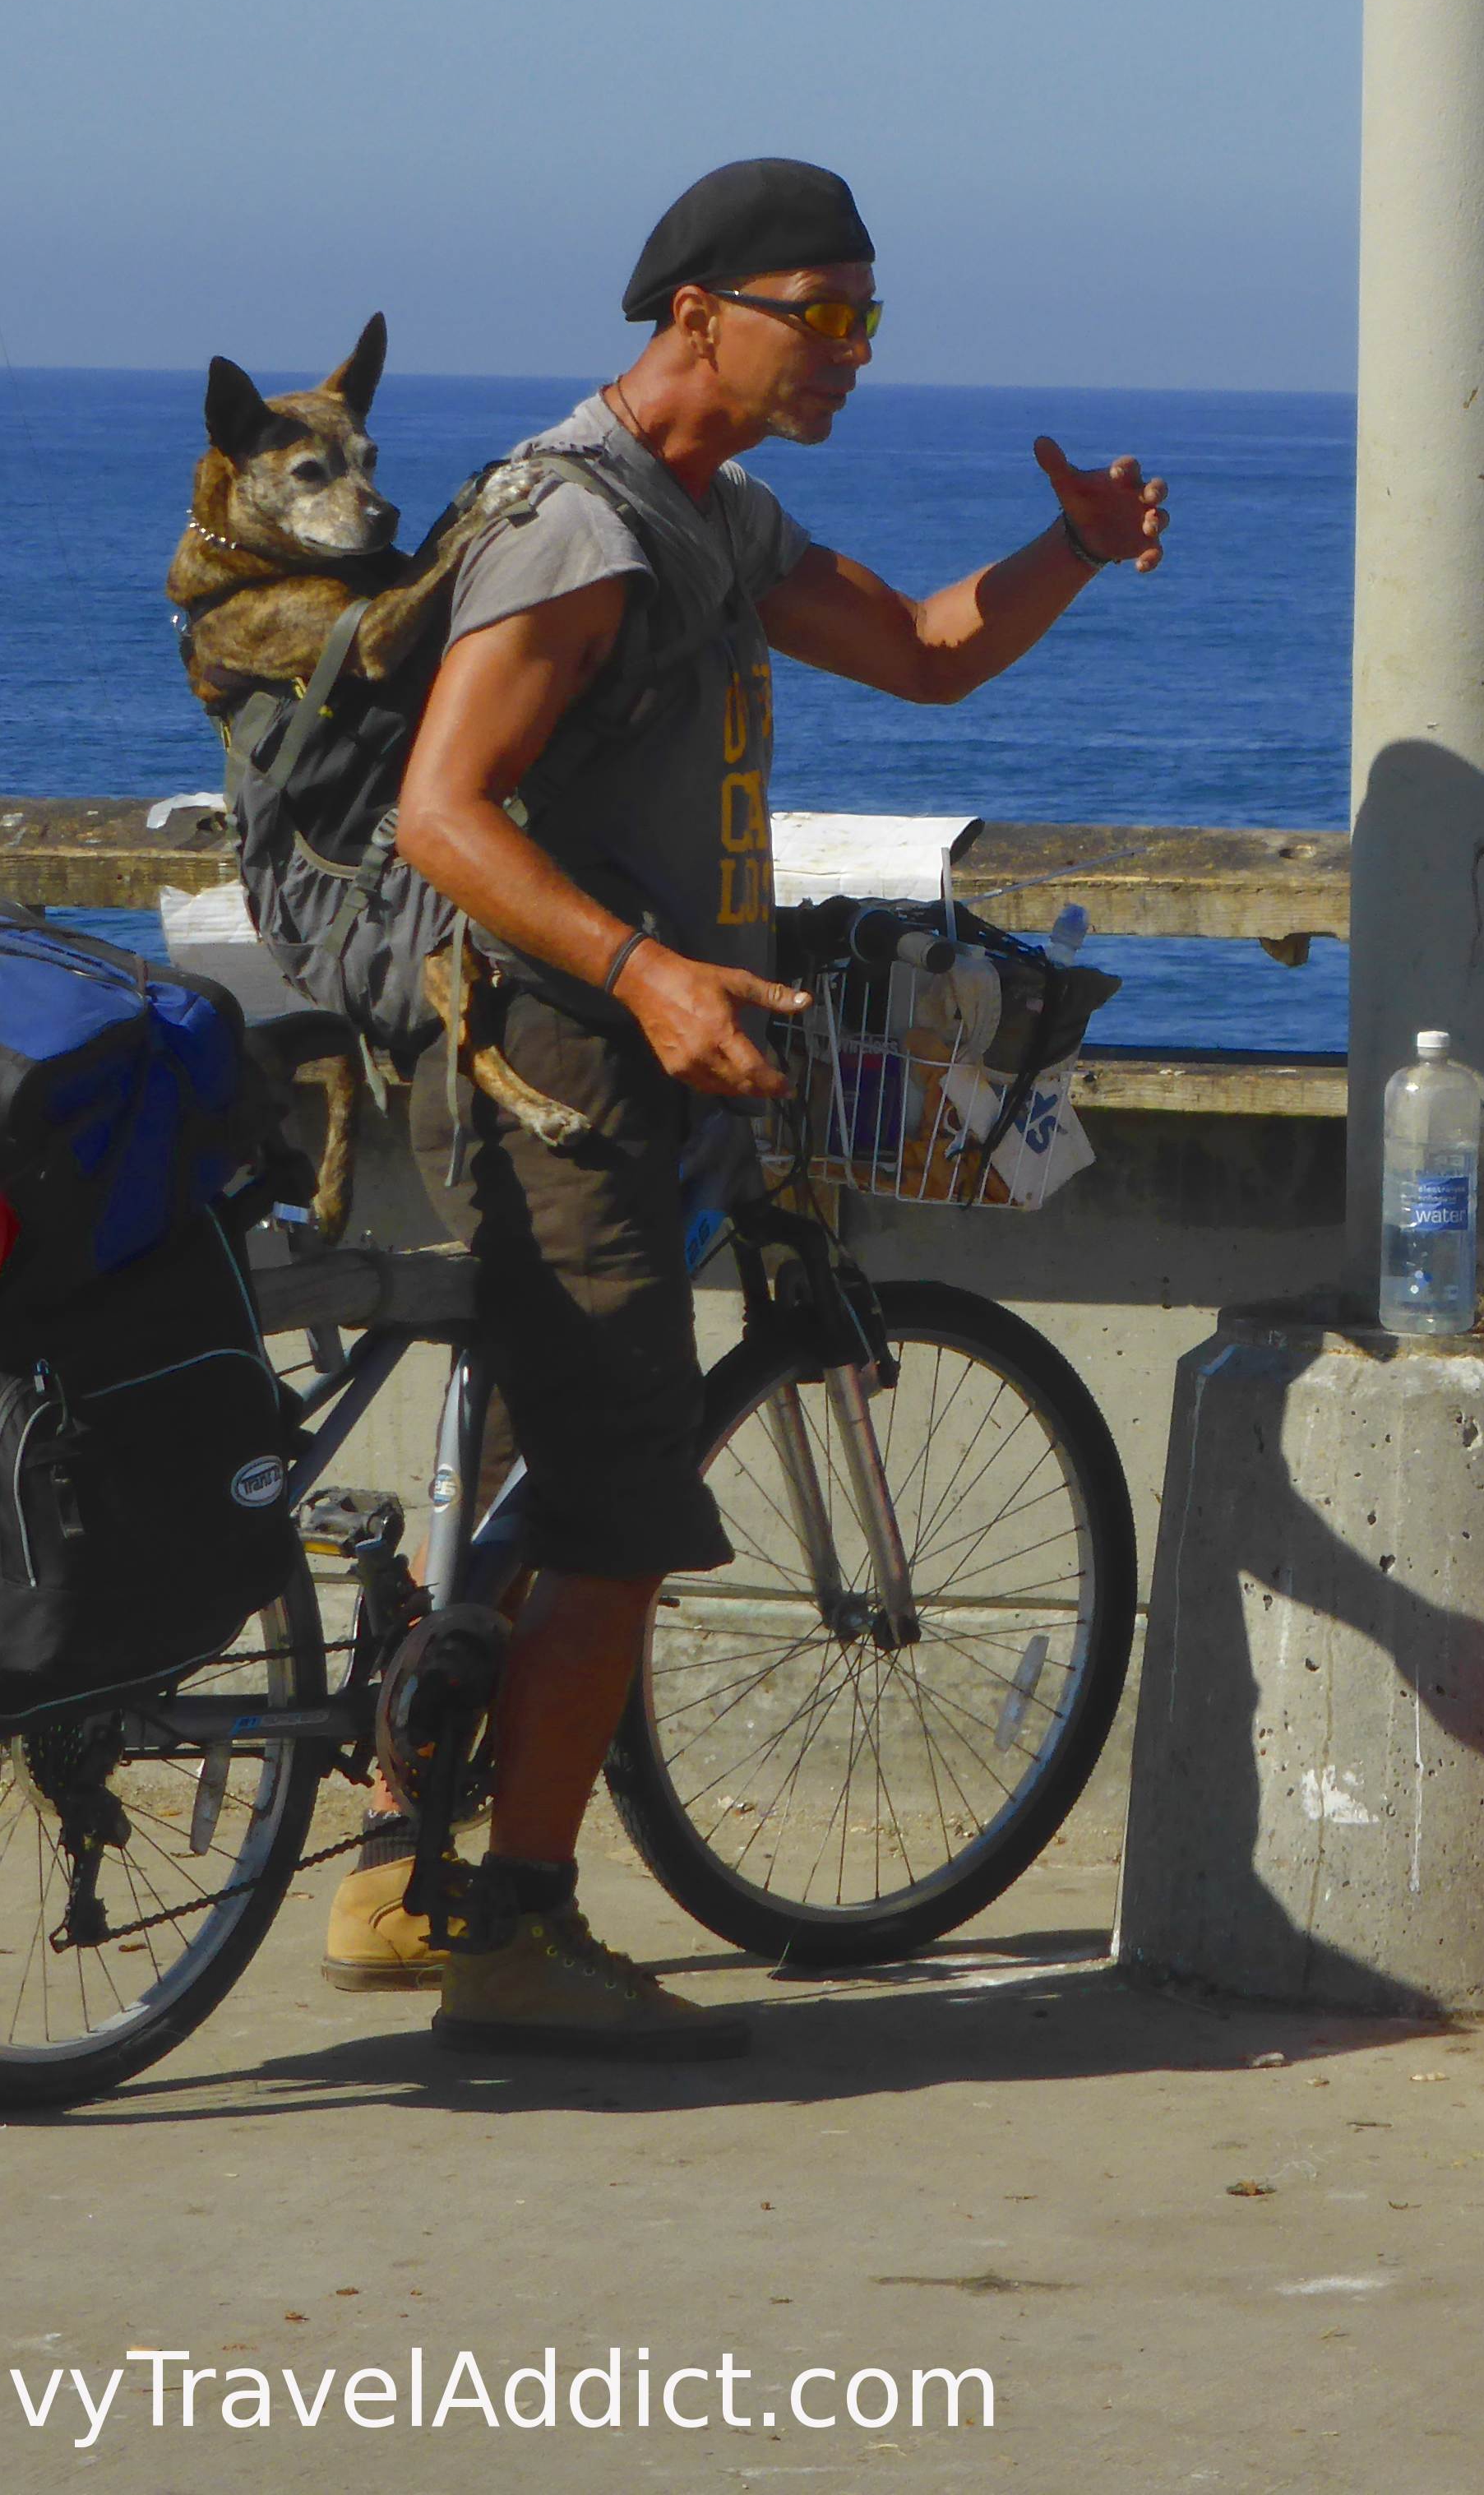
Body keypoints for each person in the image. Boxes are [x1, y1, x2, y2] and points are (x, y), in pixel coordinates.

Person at [323, 157, 1167, 2058]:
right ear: (697, 316)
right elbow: (443, 813)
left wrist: (1072, 548)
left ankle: (400, 1862)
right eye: (826, 315)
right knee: (621, 1503)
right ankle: (518, 1932)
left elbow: (929, 655)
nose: (854, 351)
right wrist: (643, 972)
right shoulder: (578, 526)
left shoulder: (720, 518)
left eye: (871, 317)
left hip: (656, 1053)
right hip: (555, 1069)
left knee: (543, 1483)